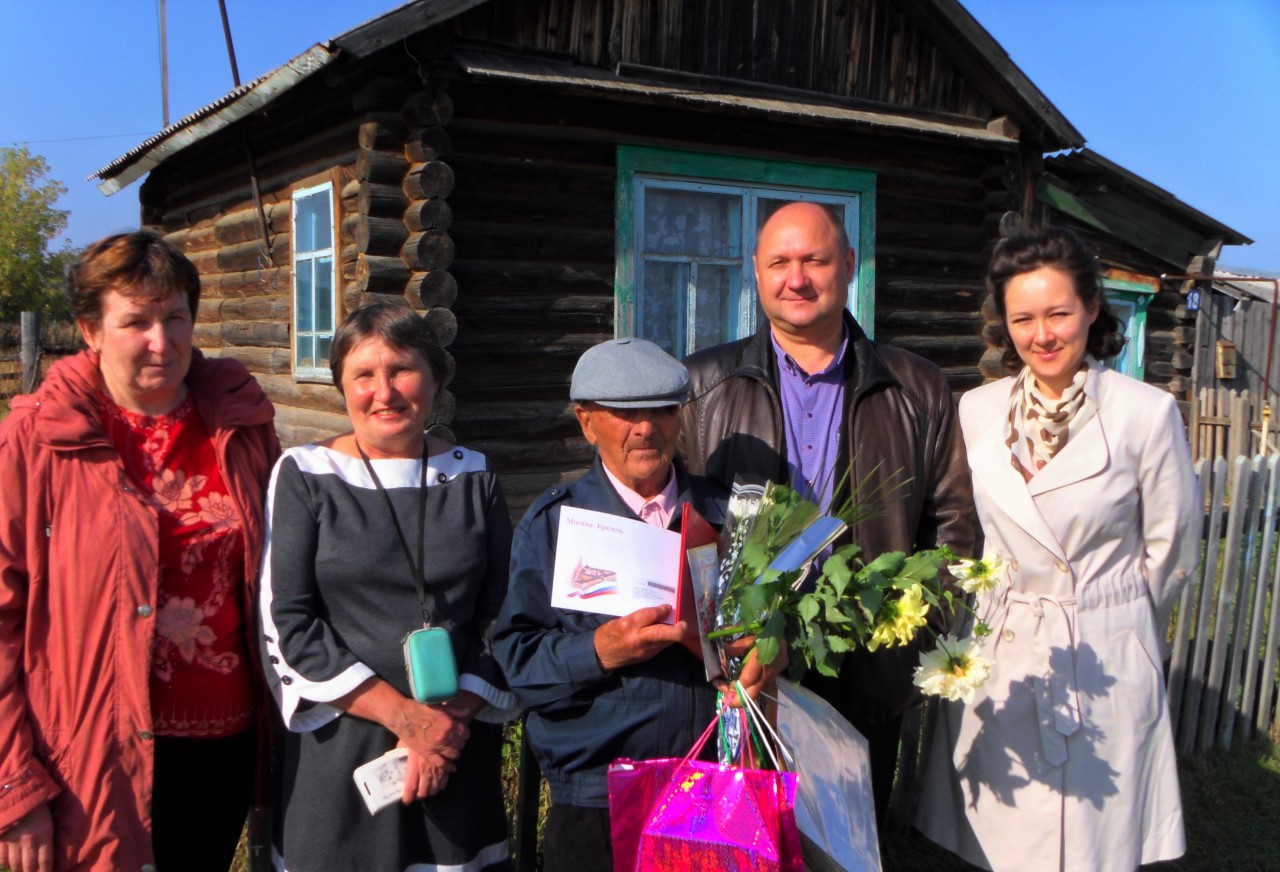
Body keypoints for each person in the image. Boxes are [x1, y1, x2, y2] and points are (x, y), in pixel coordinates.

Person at [677, 200, 977, 820]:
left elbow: (953, 533)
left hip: (866, 669)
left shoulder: (916, 388)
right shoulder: (702, 386)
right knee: (743, 840)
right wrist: (715, 643)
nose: (797, 278)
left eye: (814, 259)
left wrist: (906, 645)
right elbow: (674, 525)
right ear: (755, 274)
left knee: (848, 841)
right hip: (741, 675)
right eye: (779, 262)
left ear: (847, 264)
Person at [916, 226, 1200, 871]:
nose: (1041, 335)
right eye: (1023, 318)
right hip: (1002, 644)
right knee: (1008, 838)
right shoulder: (978, 411)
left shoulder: (1144, 413)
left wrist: (1116, 617)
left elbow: (1173, 549)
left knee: (1097, 843)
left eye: (1058, 314)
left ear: (1092, 310)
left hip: (1103, 650)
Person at [0, 230, 279, 872]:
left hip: (222, 747)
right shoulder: (39, 443)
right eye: (136, 322)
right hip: (84, 752)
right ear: (90, 331)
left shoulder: (239, 425)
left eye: (175, 317)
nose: (162, 341)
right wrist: (14, 786)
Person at [258, 300, 515, 871]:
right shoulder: (306, 476)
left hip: (455, 750)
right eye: (363, 375)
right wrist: (407, 720)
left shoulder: (474, 475)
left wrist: (446, 725)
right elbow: (289, 624)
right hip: (343, 748)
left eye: (401, 369)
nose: (385, 392)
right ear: (341, 386)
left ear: (435, 377)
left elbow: (503, 614)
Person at [492, 338, 729, 872]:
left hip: (708, 785)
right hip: (597, 796)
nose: (646, 428)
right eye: (625, 413)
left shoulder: (723, 514)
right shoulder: (555, 526)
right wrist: (599, 651)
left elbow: (763, 636)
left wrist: (768, 653)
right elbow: (518, 662)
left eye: (663, 410)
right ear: (586, 421)